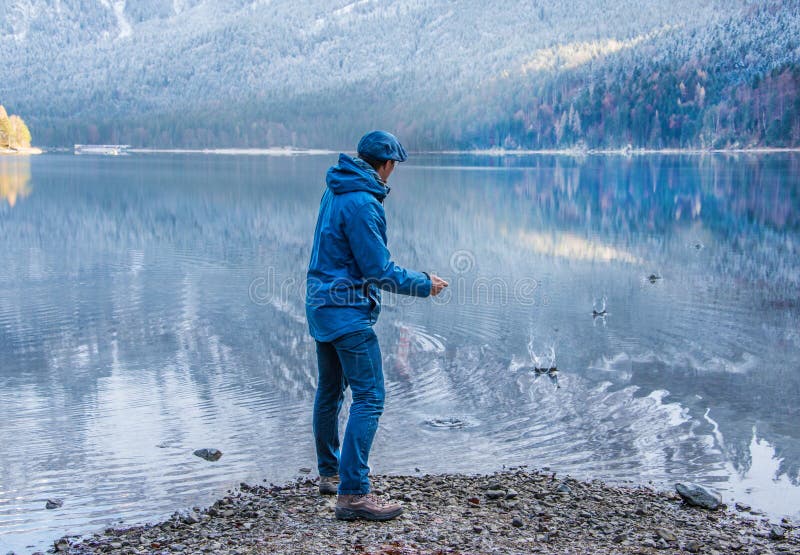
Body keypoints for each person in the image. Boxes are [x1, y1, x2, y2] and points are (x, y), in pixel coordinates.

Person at [305, 130, 448, 521]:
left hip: (320, 303)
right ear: (385, 165)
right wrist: (425, 283)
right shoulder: (364, 203)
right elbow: (379, 271)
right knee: (370, 397)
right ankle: (353, 495)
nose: (393, 173)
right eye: (394, 166)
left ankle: (330, 473)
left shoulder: (336, 187)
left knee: (331, 390)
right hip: (346, 310)